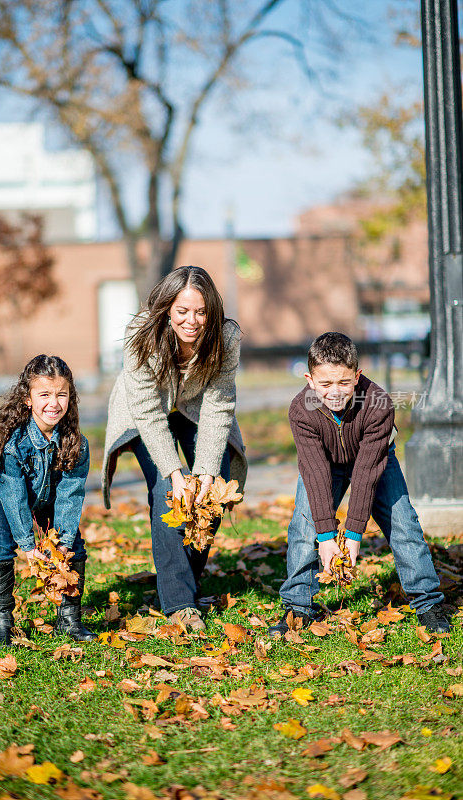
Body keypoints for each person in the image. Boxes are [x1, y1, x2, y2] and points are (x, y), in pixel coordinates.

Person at [269, 332, 448, 637]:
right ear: (310, 380)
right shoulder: (301, 410)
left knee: (404, 523)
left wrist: (352, 535)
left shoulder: (378, 404)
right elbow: (313, 472)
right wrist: (326, 535)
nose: (334, 392)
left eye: (343, 382)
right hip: (324, 464)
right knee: (303, 525)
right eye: (325, 384)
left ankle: (428, 602)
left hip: (375, 460)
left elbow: (366, 473)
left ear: (357, 376)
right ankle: (297, 606)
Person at [102, 266, 247, 631]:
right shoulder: (141, 332)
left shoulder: (226, 337)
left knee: (211, 491)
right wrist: (176, 472)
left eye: (201, 311)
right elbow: (148, 409)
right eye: (183, 311)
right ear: (168, 308)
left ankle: (184, 576)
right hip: (146, 414)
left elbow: (219, 406)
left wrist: (203, 474)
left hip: (196, 409)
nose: (192, 321)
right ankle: (180, 602)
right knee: (169, 491)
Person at [0, 354, 95, 645]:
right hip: (3, 498)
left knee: (74, 547)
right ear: (27, 399)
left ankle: (68, 621)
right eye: (44, 394)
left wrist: (63, 542)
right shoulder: (12, 443)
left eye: (61, 395)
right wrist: (28, 546)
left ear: (71, 398)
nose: (53, 403)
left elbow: (71, 494)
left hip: (52, 501)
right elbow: (14, 496)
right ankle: (2, 621)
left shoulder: (76, 444)